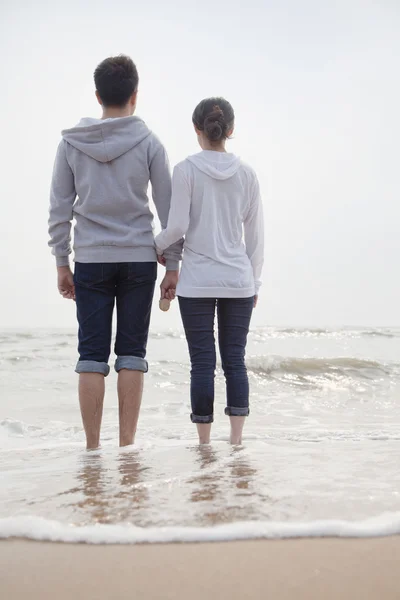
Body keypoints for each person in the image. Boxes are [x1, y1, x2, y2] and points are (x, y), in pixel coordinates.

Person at [48, 55, 181, 450]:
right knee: (131, 353)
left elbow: (59, 208)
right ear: (134, 96)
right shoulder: (150, 142)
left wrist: (61, 261)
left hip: (90, 258)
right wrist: (172, 264)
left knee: (91, 354)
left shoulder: (70, 142)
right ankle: (126, 447)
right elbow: (168, 211)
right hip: (139, 258)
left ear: (97, 95)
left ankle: (92, 449)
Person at [155, 98, 264, 445]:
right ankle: (236, 442)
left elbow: (176, 227)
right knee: (235, 361)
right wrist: (255, 281)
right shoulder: (247, 174)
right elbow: (256, 237)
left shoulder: (186, 170)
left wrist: (154, 246)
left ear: (196, 129)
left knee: (202, 362)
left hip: (197, 282)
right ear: (230, 131)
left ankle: (204, 444)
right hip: (238, 281)